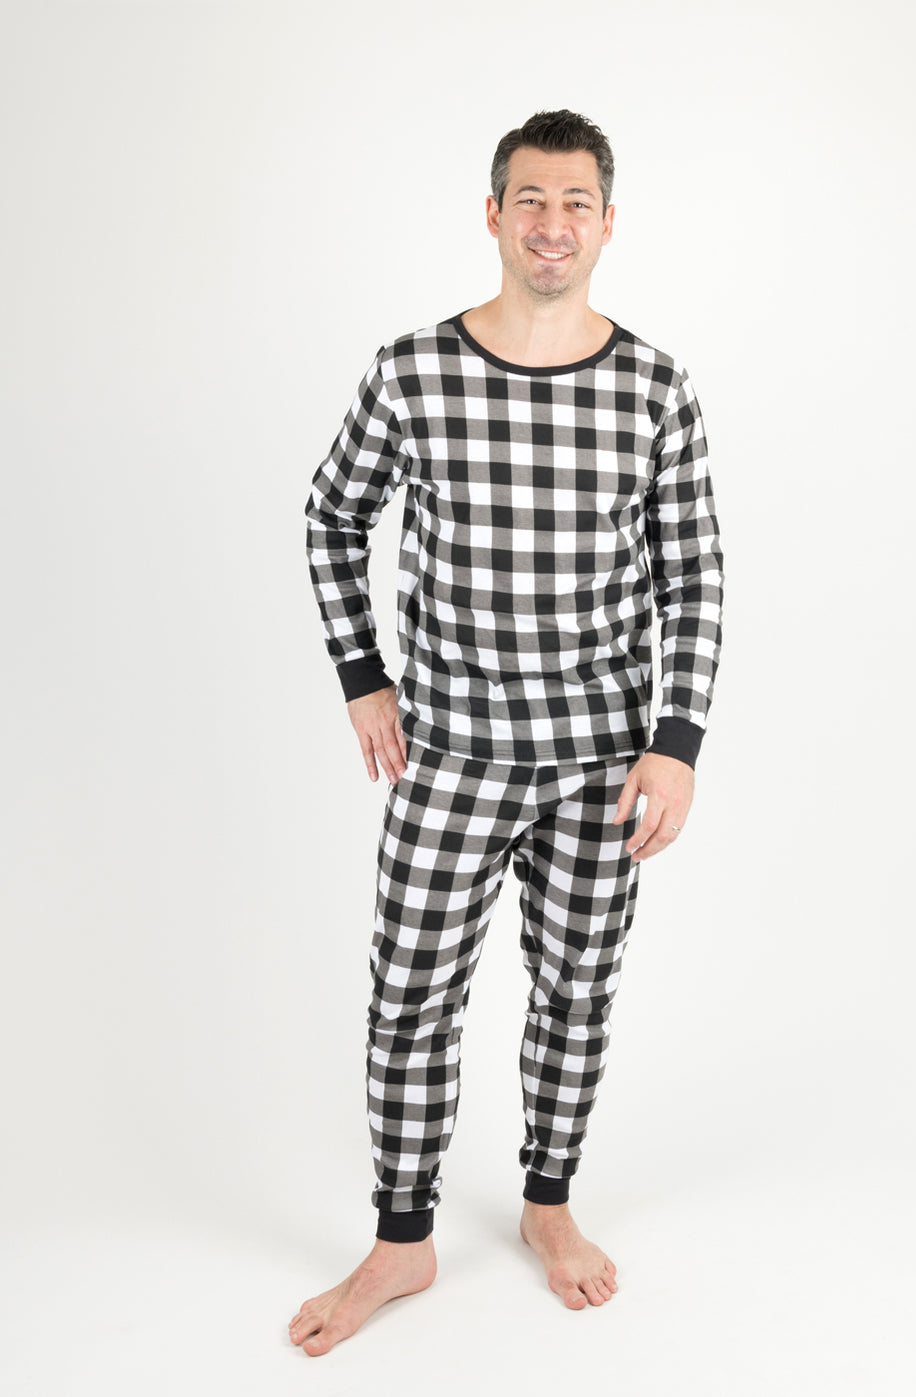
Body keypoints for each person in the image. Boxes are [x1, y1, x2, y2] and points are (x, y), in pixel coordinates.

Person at [289, 109, 724, 1355]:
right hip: (452, 754)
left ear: (606, 222)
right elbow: (332, 516)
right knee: (410, 994)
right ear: (493, 214)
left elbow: (692, 571)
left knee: (575, 992)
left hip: (601, 761)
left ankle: (548, 1203)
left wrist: (677, 741)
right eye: (530, 199)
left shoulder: (654, 387)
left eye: (575, 201)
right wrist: (362, 676)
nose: (551, 223)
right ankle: (403, 1236)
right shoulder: (413, 370)